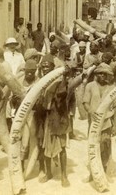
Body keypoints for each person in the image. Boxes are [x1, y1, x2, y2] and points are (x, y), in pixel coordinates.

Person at [36, 54, 70, 187]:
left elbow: (63, 97)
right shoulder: (40, 82)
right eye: (43, 66)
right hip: (44, 119)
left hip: (58, 118)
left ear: (52, 67)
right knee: (45, 147)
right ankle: (49, 172)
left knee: (61, 148)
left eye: (47, 66)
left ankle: (64, 175)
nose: (45, 68)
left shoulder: (59, 81)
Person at [83, 63, 115, 180]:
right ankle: (93, 173)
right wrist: (91, 111)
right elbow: (85, 102)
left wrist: (114, 123)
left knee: (105, 146)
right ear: (96, 74)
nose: (102, 76)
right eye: (100, 73)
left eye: (105, 74)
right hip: (93, 122)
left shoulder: (111, 88)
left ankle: (105, 172)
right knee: (93, 146)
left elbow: (115, 106)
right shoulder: (90, 86)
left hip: (106, 122)